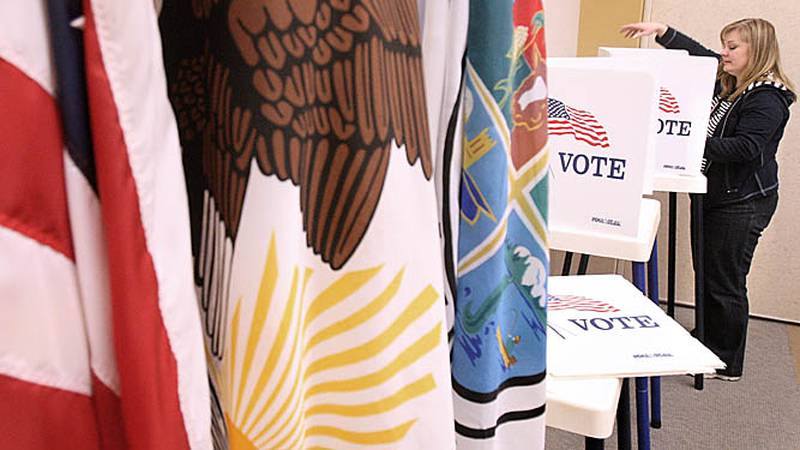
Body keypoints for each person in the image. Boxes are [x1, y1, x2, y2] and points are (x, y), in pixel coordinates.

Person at [619, 19, 796, 381]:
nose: (724, 53)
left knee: (725, 280)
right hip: (716, 192)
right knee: (708, 271)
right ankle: (708, 339)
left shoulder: (767, 97)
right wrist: (663, 31)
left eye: (732, 47)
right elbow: (700, 58)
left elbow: (746, 148)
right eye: (724, 45)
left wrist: (682, 140)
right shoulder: (733, 80)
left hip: (742, 200)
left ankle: (726, 361)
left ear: (756, 51)